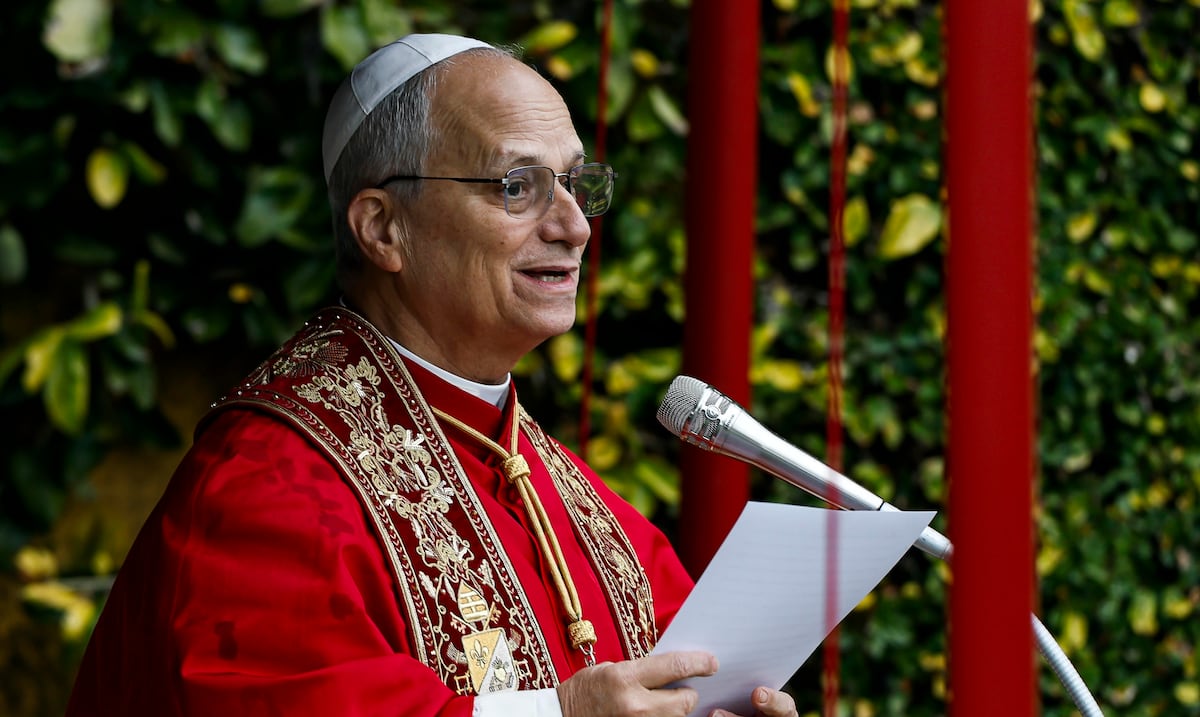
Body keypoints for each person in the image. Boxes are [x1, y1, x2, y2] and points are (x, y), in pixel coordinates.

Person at [65, 33, 799, 717]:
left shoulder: (562, 486)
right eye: (518, 185)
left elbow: (685, 664)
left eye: (576, 184)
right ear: (383, 227)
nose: (574, 224)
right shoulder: (268, 482)